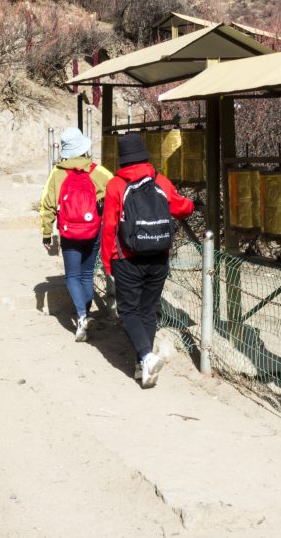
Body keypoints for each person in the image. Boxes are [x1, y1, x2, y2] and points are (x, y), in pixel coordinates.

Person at [101, 133, 193, 388]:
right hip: (159, 256)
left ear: (122, 159)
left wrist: (107, 260)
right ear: (144, 154)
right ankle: (141, 365)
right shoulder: (160, 180)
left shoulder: (116, 186)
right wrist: (192, 204)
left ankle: (145, 356)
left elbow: (109, 226)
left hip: (127, 258)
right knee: (147, 311)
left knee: (128, 310)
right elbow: (182, 207)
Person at [39, 127, 113, 342]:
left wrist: (46, 233)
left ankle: (82, 316)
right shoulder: (98, 171)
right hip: (93, 229)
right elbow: (117, 189)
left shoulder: (57, 173)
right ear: (84, 148)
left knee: (72, 275)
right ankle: (86, 315)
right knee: (87, 273)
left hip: (69, 231)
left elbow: (47, 204)